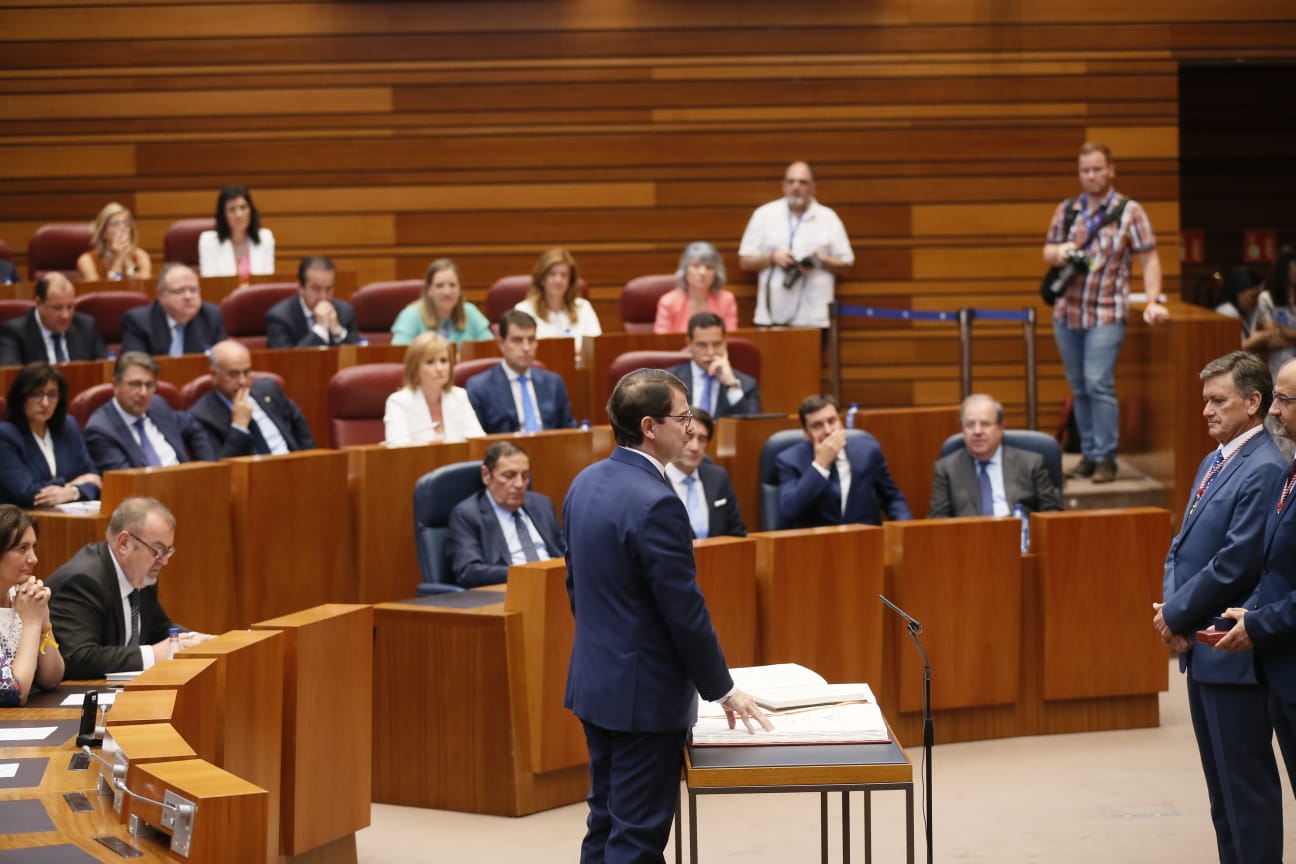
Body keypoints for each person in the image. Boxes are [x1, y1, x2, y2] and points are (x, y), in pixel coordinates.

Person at [563, 368, 770, 862]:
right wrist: (722, 688)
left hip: (596, 683)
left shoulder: (584, 482)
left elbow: (578, 588)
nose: (693, 428)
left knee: (606, 822)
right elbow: (683, 611)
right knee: (636, 838)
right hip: (643, 699)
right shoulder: (657, 502)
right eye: (684, 417)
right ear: (651, 426)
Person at [1150, 351, 1286, 864]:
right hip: (1199, 645)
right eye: (1204, 400)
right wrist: (1175, 616)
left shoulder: (1266, 467)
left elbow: (1237, 563)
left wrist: (1177, 616)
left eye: (1218, 400)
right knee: (1220, 796)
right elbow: (1182, 546)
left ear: (1254, 402)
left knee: (1245, 791)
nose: (1206, 410)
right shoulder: (1216, 458)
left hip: (1234, 652)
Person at [1043, 142, 1168, 484]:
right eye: (1085, 170)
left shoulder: (1130, 211)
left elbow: (1150, 258)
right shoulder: (1068, 209)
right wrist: (1061, 252)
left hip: (1107, 312)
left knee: (1098, 382)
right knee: (1079, 386)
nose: (1091, 176)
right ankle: (1090, 454)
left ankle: (1107, 457)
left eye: (1097, 169)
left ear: (1111, 170)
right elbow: (1048, 251)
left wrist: (1154, 299)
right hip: (1067, 313)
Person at [1216, 357, 1296, 792]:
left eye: (1284, 399)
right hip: (1282, 670)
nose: (1274, 409)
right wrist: (1248, 612)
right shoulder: (1291, 470)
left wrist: (1259, 623)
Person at [47, 497, 211, 680]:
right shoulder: (84, 581)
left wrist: (201, 641)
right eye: (157, 550)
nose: (164, 561)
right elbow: (78, 658)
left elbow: (158, 630)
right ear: (124, 543)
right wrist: (152, 655)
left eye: (168, 551)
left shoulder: (140, 575)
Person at [739, 161, 854, 330]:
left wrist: (819, 260)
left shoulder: (828, 218)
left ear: (814, 187)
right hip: (771, 317)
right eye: (791, 181)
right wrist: (772, 257)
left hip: (813, 317)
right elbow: (744, 261)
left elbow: (847, 263)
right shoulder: (764, 215)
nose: (796, 187)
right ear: (783, 185)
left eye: (802, 182)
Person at [777, 394, 911, 528]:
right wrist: (820, 465)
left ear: (841, 422)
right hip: (815, 544)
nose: (828, 431)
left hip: (865, 541)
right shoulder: (789, 460)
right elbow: (789, 511)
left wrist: (905, 529)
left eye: (832, 421)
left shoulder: (868, 452)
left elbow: (892, 498)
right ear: (806, 433)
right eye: (817, 425)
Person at [446, 441, 565, 588]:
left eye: (525, 476)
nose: (520, 484)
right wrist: (528, 574)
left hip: (557, 588)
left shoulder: (542, 505)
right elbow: (468, 571)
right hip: (509, 592)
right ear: (486, 475)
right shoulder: (467, 515)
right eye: (509, 476)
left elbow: (565, 552)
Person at [927, 394, 1061, 518]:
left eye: (985, 424)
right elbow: (937, 521)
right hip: (970, 540)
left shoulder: (1030, 464)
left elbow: (1052, 515)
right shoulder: (947, 469)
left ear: (1000, 428)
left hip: (1020, 539)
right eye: (970, 425)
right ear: (963, 429)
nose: (977, 431)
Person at [84, 352, 215, 472]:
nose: (143, 393)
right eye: (135, 384)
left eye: (149, 385)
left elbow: (192, 426)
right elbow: (126, 482)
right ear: (116, 385)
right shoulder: (101, 430)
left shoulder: (158, 405)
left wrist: (209, 468)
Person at [189, 340, 315, 457]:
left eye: (247, 372)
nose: (242, 381)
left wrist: (310, 463)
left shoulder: (269, 389)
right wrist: (239, 427)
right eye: (233, 374)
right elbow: (220, 471)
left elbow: (299, 424)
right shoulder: (202, 417)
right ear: (214, 375)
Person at [0, 363, 101, 508]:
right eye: (37, 394)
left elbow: (95, 480)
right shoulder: (5, 436)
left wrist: (72, 493)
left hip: (68, 518)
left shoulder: (68, 427)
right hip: (24, 522)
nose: (45, 403)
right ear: (21, 397)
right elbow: (28, 493)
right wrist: (72, 485)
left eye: (52, 395)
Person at [465, 310, 576, 434]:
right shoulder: (480, 388)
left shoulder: (554, 383)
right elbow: (477, 441)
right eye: (517, 340)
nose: (526, 348)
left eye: (531, 340)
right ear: (501, 344)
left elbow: (568, 432)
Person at [0, 507, 64, 705]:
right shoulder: (27, 613)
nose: (34, 559)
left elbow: (52, 679)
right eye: (22, 548)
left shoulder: (20, 598)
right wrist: (32, 624)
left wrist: (43, 621)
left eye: (33, 547)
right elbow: (12, 694)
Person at [383, 332, 484, 446]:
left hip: (458, 463)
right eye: (430, 362)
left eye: (444, 360)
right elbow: (397, 450)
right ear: (415, 367)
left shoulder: (459, 396)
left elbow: (478, 442)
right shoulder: (399, 402)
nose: (440, 368)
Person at [665, 407, 746, 538]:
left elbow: (737, 534)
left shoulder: (718, 478)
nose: (695, 447)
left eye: (702, 439)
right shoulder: (653, 480)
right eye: (689, 436)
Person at [665, 312, 761, 417]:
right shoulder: (668, 381)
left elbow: (752, 427)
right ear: (689, 343)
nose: (710, 352)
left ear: (725, 342)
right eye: (702, 345)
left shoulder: (747, 385)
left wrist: (731, 385)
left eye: (716, 344)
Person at [0, 272, 107, 366]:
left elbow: (104, 368)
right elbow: (11, 377)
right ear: (38, 303)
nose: (65, 315)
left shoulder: (86, 326)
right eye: (57, 308)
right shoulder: (14, 333)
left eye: (70, 307)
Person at [121, 263, 227, 356]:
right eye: (180, 291)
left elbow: (224, 361)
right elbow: (133, 368)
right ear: (161, 295)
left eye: (193, 290)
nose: (188, 296)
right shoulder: (139, 322)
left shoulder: (211, 316)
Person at [391, 258, 491, 346]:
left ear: (460, 289)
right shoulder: (410, 315)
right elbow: (397, 355)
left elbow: (491, 351)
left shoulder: (470, 312)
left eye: (452, 285)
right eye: (439, 286)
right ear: (429, 290)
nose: (447, 292)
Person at [265, 256, 359, 348]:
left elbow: (360, 356)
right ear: (301, 288)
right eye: (316, 289)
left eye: (329, 289)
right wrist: (320, 330)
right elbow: (284, 361)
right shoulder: (280, 318)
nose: (323, 297)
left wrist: (338, 332)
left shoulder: (345, 312)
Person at [513, 247, 602, 341]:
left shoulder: (583, 308)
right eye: (552, 274)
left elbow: (596, 347)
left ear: (570, 280)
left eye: (564, 275)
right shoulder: (524, 311)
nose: (558, 280)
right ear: (542, 279)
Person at [653, 241, 738, 334]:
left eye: (709, 267)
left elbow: (730, 338)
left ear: (716, 273)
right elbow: (661, 342)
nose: (702, 272)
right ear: (685, 271)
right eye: (696, 266)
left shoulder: (726, 300)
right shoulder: (669, 302)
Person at [197, 185, 275, 279]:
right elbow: (210, 283)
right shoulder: (209, 242)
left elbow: (266, 280)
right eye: (232, 209)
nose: (239, 214)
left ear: (251, 210)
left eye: (243, 207)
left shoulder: (265, 238)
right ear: (223, 215)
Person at [1244, 246, 1296, 379]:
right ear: (1285, 269)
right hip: (1278, 365)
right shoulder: (1267, 298)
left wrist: (1285, 332)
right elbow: (1272, 336)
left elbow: (1280, 332)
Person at [77, 202, 152, 282]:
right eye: (115, 224)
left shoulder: (141, 256)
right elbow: (109, 289)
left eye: (126, 223)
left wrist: (126, 259)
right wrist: (118, 259)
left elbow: (141, 285)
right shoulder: (86, 260)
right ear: (103, 232)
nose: (122, 228)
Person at [1215, 266, 1262, 343]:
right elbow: (1231, 348)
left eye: (1257, 296)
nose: (1255, 301)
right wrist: (1257, 339)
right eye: (1252, 296)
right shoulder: (1226, 311)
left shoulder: (1248, 311)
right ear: (1239, 293)